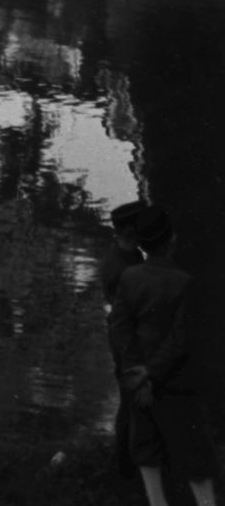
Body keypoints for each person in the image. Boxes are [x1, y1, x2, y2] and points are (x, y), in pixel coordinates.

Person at [108, 206, 218, 506]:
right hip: (176, 382)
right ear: (172, 240)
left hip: (141, 385)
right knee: (195, 456)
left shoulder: (130, 277)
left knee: (147, 449)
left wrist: (135, 371)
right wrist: (150, 371)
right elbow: (182, 337)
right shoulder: (185, 283)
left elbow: (119, 327)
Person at [103, 200, 147, 477]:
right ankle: (125, 469)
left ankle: (126, 466)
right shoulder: (123, 269)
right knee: (132, 406)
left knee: (130, 405)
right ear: (132, 229)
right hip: (128, 345)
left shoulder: (127, 257)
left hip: (126, 340)